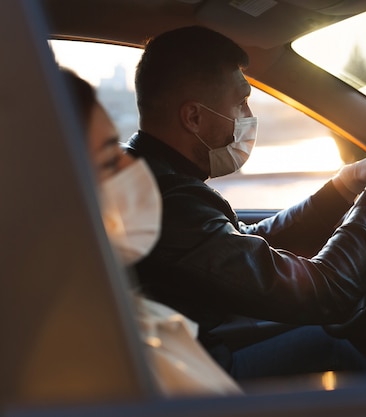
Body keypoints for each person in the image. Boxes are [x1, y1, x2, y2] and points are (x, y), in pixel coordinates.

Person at [126, 25, 366, 380]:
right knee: (329, 343)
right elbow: (327, 293)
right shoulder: (169, 204)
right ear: (194, 117)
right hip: (192, 382)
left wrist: (345, 185)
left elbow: (243, 246)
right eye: (241, 102)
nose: (248, 116)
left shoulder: (147, 177)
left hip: (180, 357)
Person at [60, 67, 242, 397]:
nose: (134, 170)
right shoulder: (79, 345)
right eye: (107, 162)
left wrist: (341, 189)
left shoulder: (100, 301)